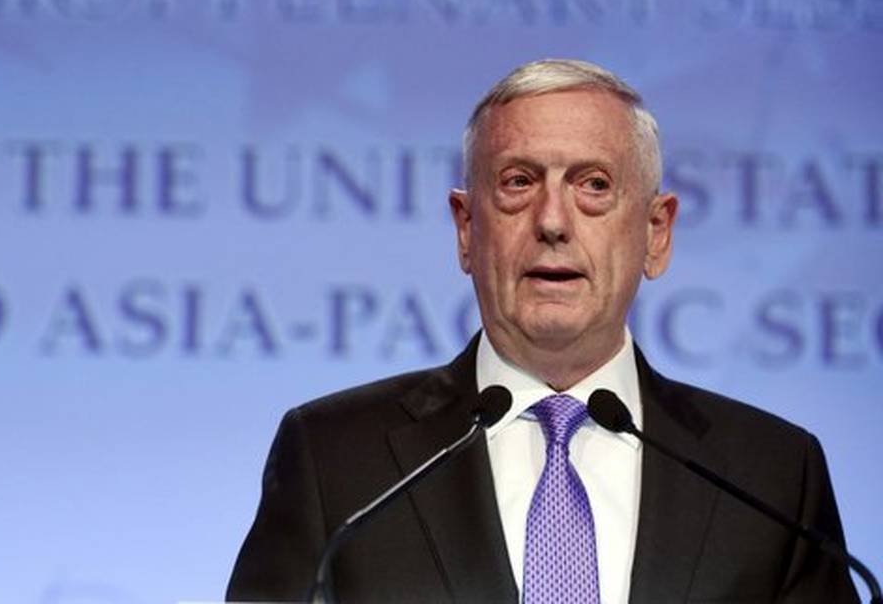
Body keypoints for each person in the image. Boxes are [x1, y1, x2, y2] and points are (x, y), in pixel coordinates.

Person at [226, 59, 858, 603]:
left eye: (594, 185)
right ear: (466, 229)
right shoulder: (334, 459)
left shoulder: (772, 477)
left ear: (656, 233)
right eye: (518, 183)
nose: (553, 221)